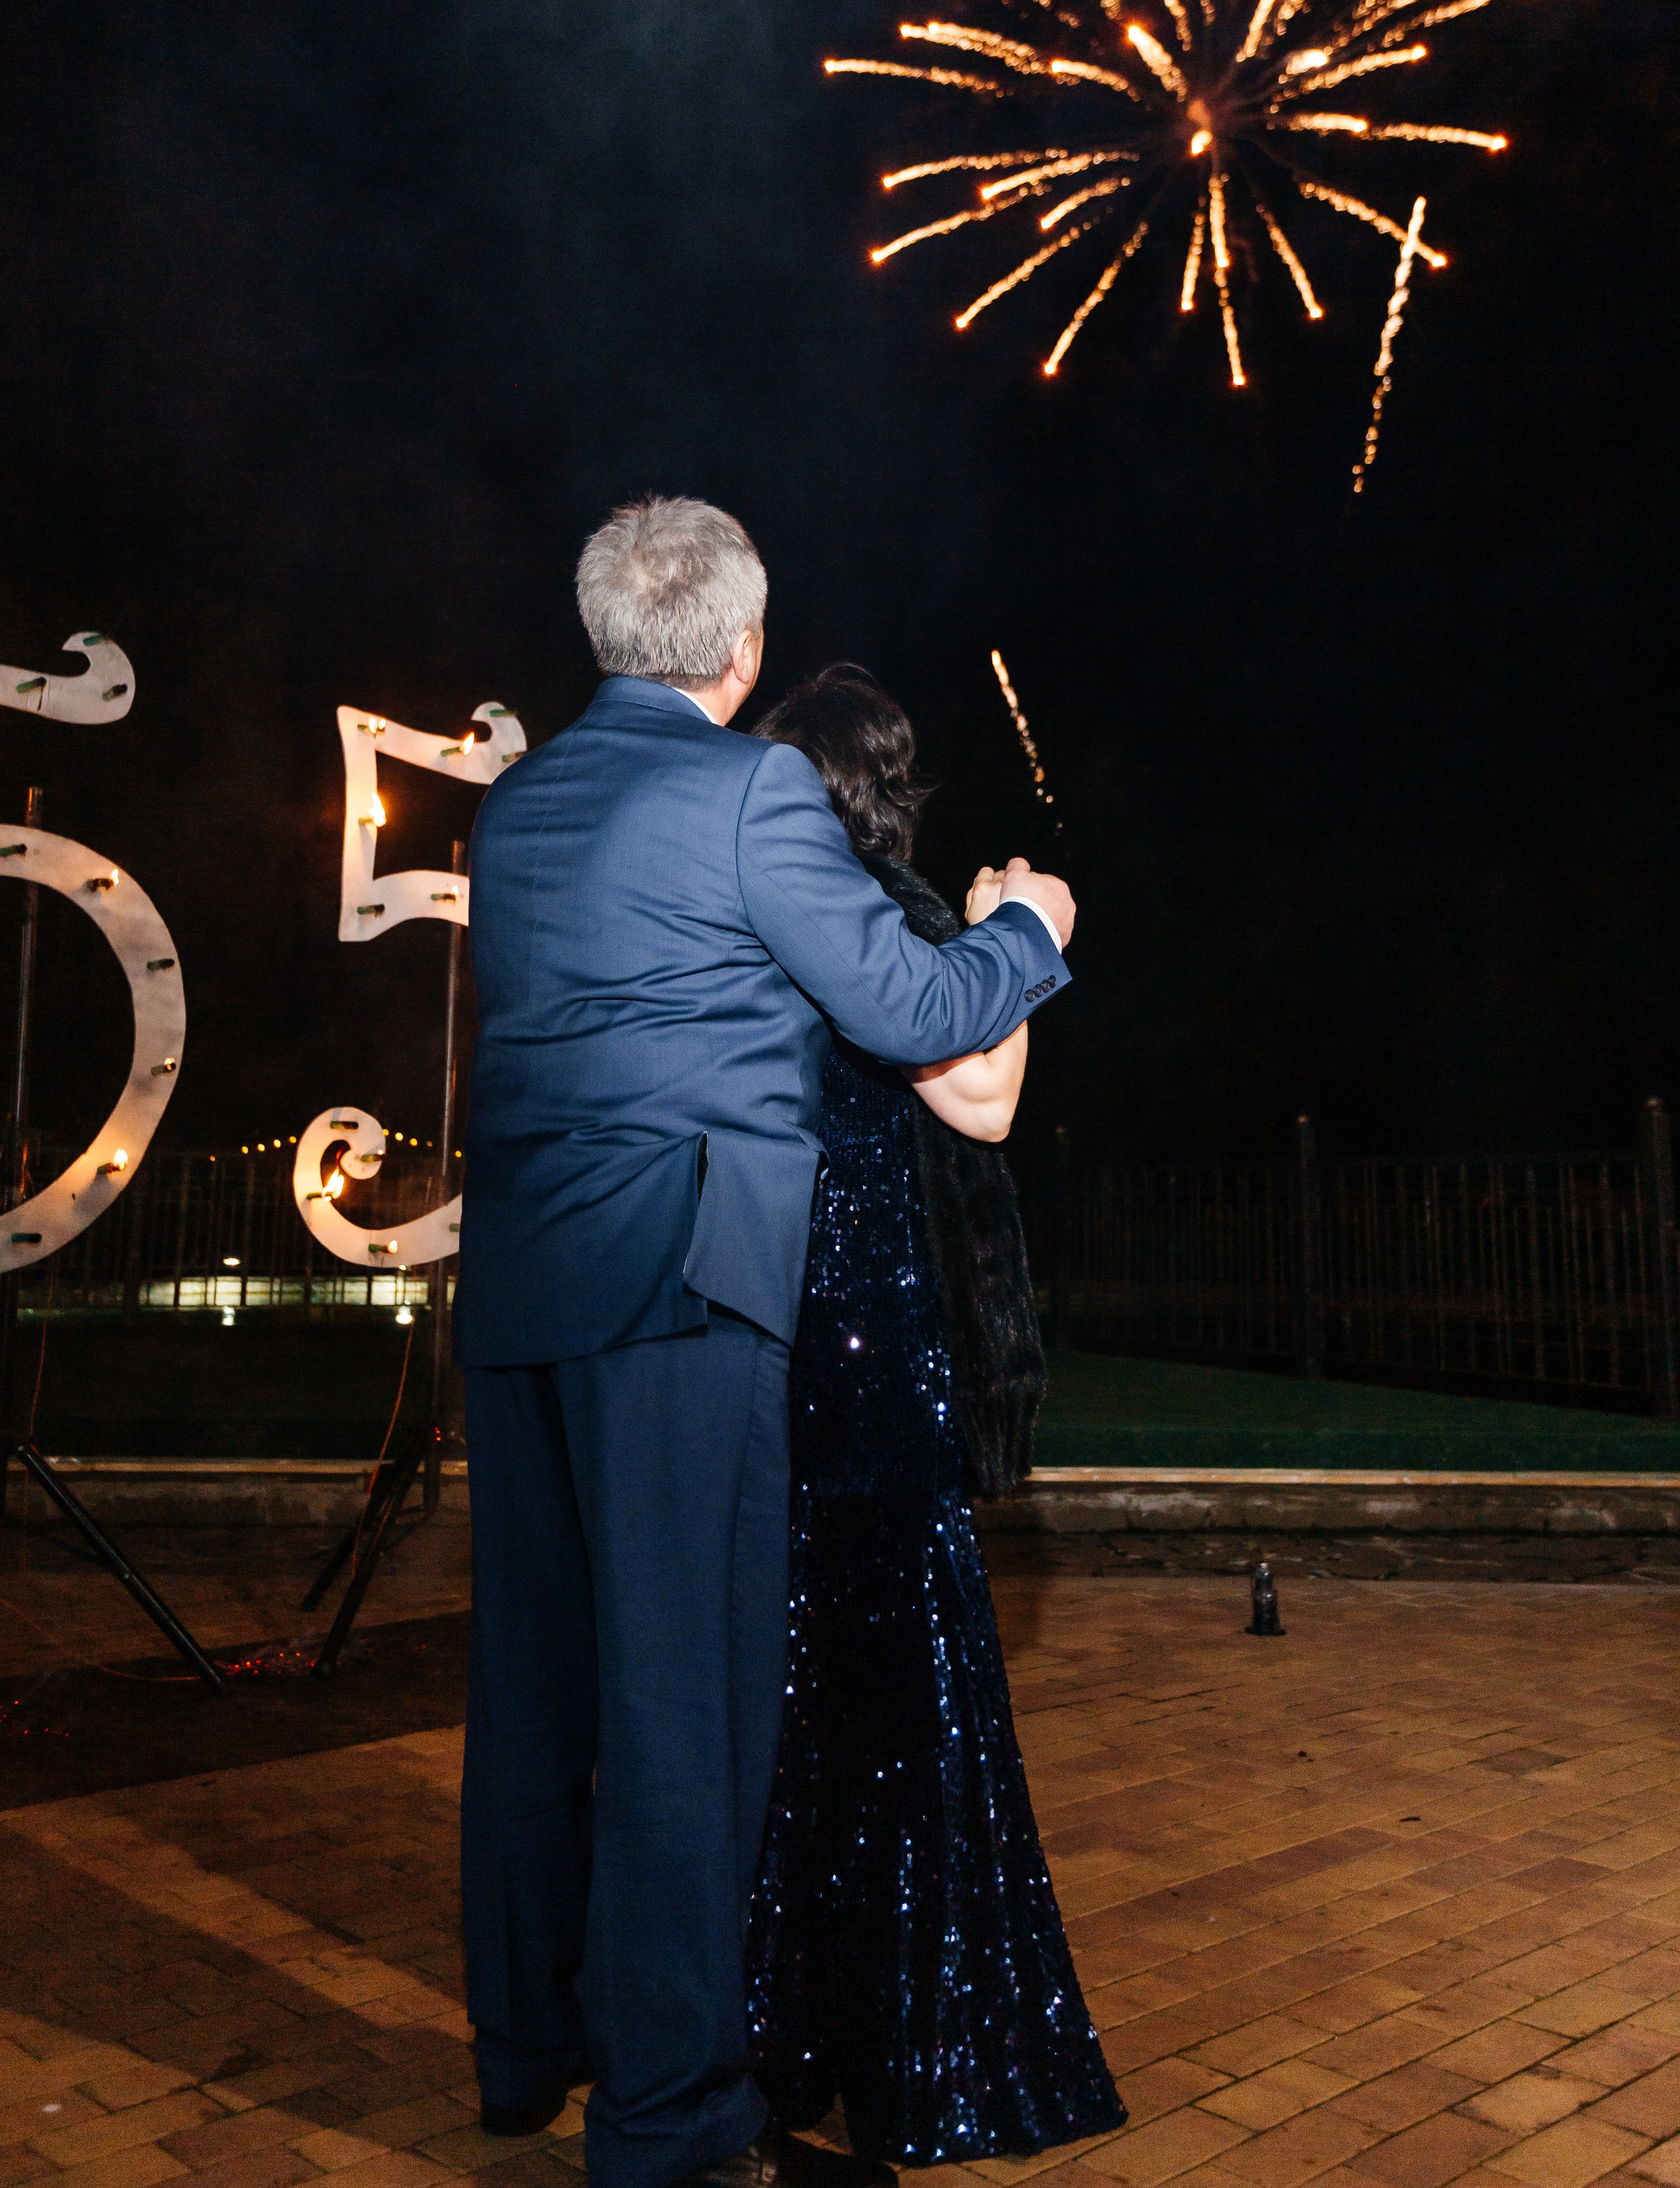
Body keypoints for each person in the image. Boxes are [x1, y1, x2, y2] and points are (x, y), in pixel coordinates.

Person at [456, 498, 1075, 2188]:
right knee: (679, 1710)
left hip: (517, 1288)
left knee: (530, 1690)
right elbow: (920, 1013)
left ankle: (523, 2050)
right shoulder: (748, 793)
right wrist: (1034, 930)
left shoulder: (514, 808)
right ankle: (665, 2120)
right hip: (676, 1296)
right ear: (736, 652)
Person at [745, 667, 1127, 2163]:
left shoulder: (771, 912)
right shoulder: (875, 912)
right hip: (869, 1362)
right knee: (896, 1716)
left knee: (791, 1705)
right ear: (890, 786)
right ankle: (905, 2048)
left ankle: (780, 2030)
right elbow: (981, 1096)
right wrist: (1011, 933)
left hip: (782, 1350)